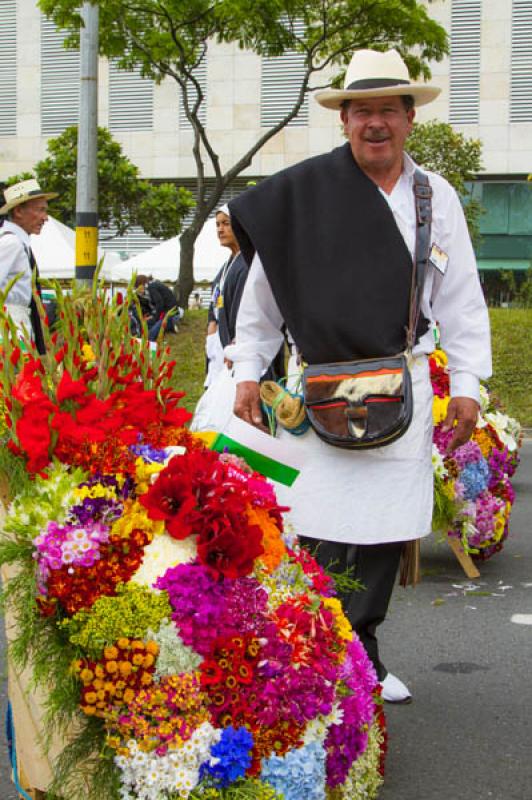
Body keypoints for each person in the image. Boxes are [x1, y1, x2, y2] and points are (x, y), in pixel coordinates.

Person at [225, 49, 492, 703]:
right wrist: (246, 371)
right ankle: (318, 645)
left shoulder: (436, 196)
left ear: (409, 119)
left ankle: (360, 645)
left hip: (400, 383)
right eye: (362, 111)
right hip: (318, 388)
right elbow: (262, 298)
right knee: (317, 523)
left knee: (384, 526)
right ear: (344, 120)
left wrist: (467, 382)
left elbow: (460, 294)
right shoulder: (300, 194)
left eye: (388, 111)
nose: (376, 123)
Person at [0, 178, 58, 353]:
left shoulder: (17, 242)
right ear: (18, 211)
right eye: (40, 210)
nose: (45, 218)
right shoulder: (11, 243)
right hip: (11, 326)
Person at [204, 205, 249, 387]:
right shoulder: (224, 269)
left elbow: (245, 311)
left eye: (226, 224)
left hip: (238, 348)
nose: (220, 229)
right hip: (219, 346)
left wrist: (235, 344)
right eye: (217, 225)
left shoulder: (247, 265)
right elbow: (213, 310)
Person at [133, 275, 182, 342]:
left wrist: (154, 318)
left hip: (170, 314)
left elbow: (159, 304)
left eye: (137, 287)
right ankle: (170, 327)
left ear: (141, 284)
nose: (138, 290)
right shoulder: (152, 286)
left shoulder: (152, 287)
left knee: (151, 335)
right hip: (166, 313)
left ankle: (170, 325)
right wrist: (152, 316)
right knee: (145, 324)